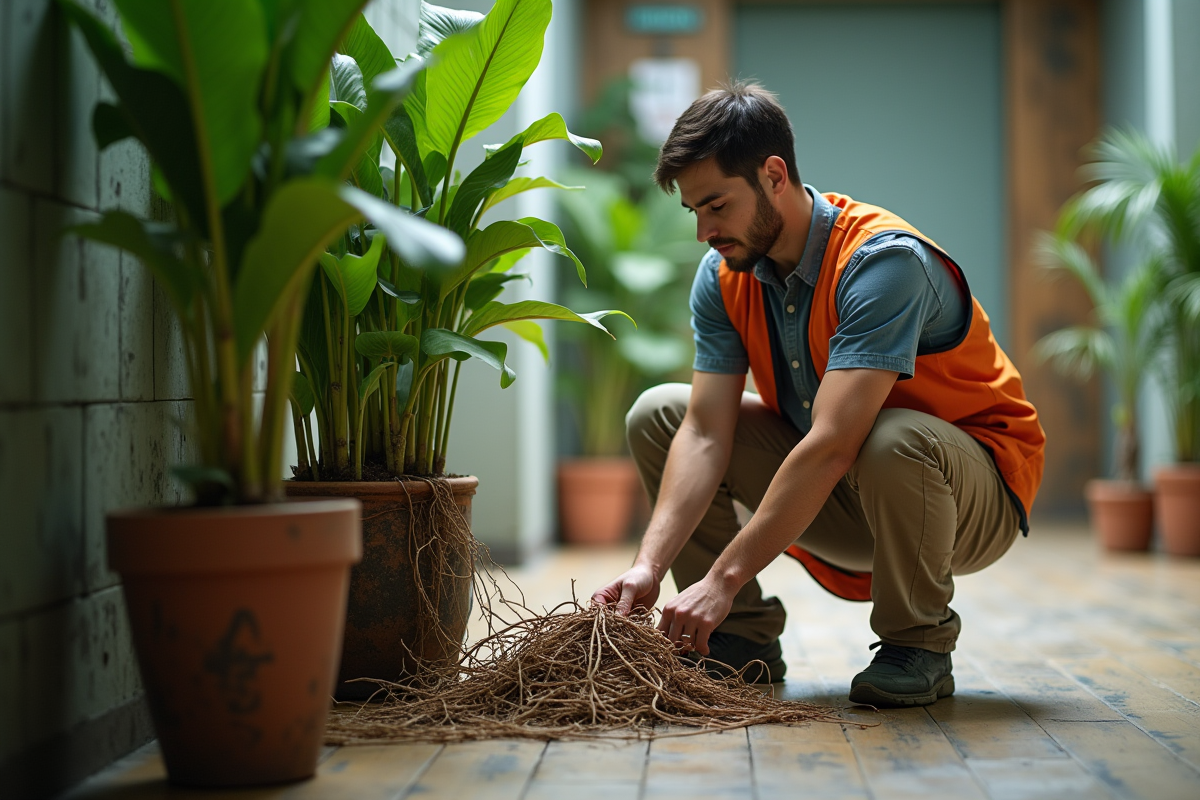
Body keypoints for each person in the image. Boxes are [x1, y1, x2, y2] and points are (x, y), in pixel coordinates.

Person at [591, 82, 1045, 708]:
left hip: (968, 500)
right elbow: (703, 433)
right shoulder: (726, 274)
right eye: (695, 212)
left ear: (773, 175)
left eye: (716, 206)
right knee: (661, 415)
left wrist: (722, 576)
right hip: (849, 495)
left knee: (892, 436)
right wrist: (647, 565)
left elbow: (833, 443)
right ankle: (736, 638)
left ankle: (919, 644)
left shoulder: (883, 263)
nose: (704, 231)